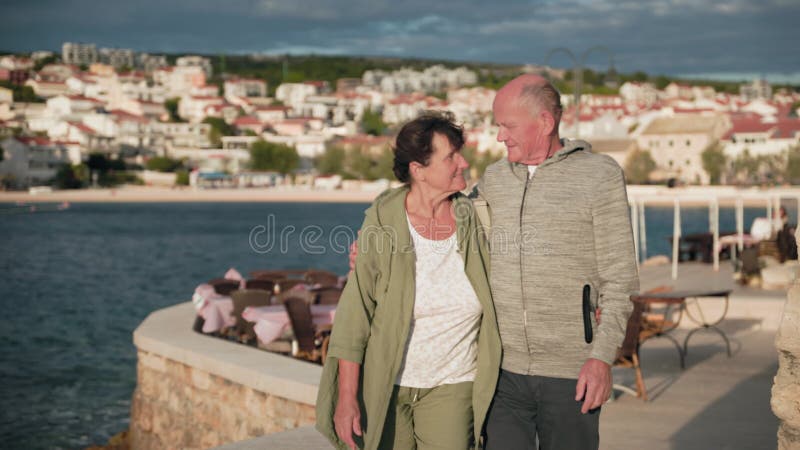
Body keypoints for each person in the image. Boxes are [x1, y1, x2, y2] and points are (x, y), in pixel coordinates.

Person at [316, 111, 502, 450]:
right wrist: (346, 398)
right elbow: (355, 317)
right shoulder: (384, 222)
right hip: (387, 386)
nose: (463, 162)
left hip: (454, 383)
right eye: (451, 157)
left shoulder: (477, 217)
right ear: (419, 170)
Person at [475, 74, 639, 449]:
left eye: (507, 125)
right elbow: (444, 222)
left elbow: (620, 280)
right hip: (502, 374)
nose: (500, 136)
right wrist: (374, 250)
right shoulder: (494, 179)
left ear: (545, 123)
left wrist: (601, 359)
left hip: (573, 373)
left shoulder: (600, 175)